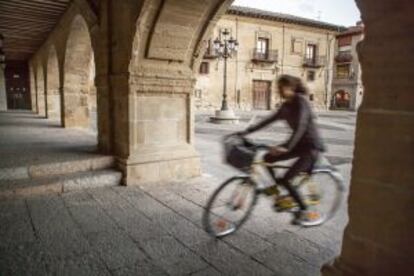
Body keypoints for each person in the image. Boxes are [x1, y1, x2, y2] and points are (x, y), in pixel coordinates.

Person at [237, 74, 326, 227]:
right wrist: (246, 132)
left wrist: (285, 147)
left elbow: (302, 126)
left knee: (286, 179)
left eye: (282, 87)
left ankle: (305, 212)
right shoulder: (285, 106)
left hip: (310, 147)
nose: (280, 90)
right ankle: (277, 192)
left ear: (291, 87)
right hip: (297, 145)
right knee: (267, 158)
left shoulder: (301, 101)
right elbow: (267, 121)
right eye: (278, 87)